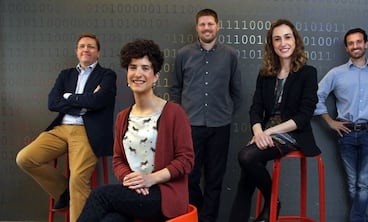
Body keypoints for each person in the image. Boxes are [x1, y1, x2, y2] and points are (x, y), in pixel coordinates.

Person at [77, 38, 194, 222]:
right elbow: (118, 161)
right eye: (133, 67)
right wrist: (133, 180)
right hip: (135, 193)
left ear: (155, 76)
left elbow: (186, 161)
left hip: (163, 195)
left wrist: (150, 179)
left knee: (100, 195)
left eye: (145, 68)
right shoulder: (123, 117)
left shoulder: (174, 112)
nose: (138, 73)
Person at [15, 32, 117, 222]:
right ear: (77, 52)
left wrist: (69, 97)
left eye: (91, 46)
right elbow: (52, 103)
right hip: (60, 129)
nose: (86, 49)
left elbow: (99, 100)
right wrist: (85, 101)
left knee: (78, 179)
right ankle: (64, 190)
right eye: (82, 46)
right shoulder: (66, 75)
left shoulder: (107, 75)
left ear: (98, 53)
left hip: (87, 132)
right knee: (25, 158)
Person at [228, 19, 321, 222]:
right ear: (272, 44)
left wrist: (267, 132)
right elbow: (255, 109)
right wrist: (258, 132)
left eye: (287, 37)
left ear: (295, 41)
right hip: (266, 133)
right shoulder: (266, 75)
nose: (283, 43)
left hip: (294, 134)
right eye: (277, 39)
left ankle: (273, 202)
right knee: (247, 170)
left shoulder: (308, 73)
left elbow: (304, 117)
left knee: (246, 156)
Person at [314, 28, 368, 222]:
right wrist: (330, 122)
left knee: (364, 183)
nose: (356, 46)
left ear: (366, 44)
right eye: (351, 43)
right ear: (346, 48)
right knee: (353, 183)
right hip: (345, 133)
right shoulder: (336, 74)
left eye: (359, 41)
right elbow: (315, 97)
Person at [170, 8, 242, 222]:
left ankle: (208, 219)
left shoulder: (230, 54)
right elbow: (176, 89)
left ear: (218, 26)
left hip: (220, 126)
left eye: (210, 24)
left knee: (215, 179)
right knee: (189, 177)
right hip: (190, 125)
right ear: (197, 28)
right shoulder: (183, 54)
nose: (207, 28)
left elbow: (237, 91)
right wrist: (181, 116)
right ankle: (195, 216)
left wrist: (226, 114)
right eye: (202, 24)